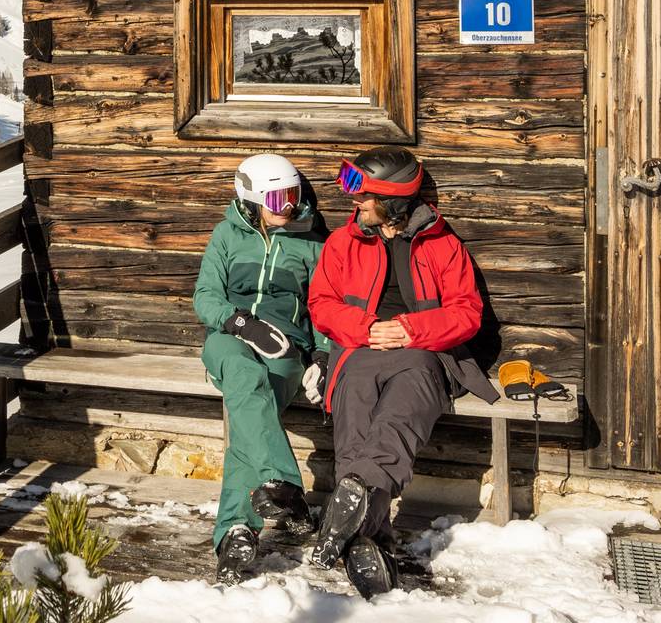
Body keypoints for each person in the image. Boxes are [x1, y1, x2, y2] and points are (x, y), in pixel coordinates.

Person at [306, 145, 499, 599]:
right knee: (354, 406)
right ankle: (371, 537)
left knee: (397, 413)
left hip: (424, 352)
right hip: (361, 348)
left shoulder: (442, 245)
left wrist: (410, 328)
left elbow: (467, 313)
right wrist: (368, 328)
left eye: (362, 193)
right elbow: (322, 304)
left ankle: (357, 504)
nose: (352, 200)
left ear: (391, 198)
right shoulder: (343, 242)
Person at [193, 153, 329, 584]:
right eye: (277, 197)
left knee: (251, 410)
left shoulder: (312, 243)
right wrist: (241, 324)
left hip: (285, 348)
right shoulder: (226, 236)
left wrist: (323, 356)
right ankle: (282, 485)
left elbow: (327, 307)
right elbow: (205, 297)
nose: (288, 206)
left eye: (294, 195)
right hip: (228, 341)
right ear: (250, 198)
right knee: (243, 374)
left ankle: (236, 529)